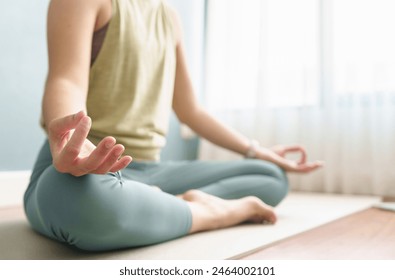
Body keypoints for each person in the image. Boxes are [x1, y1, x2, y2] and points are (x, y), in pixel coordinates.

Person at [24, 0, 323, 252]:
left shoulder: (169, 17)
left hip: (151, 171)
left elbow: (190, 110)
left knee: (270, 176)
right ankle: (209, 213)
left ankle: (156, 205)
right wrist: (72, 140)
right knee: (74, 199)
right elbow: (66, 80)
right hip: (89, 168)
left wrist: (256, 150)